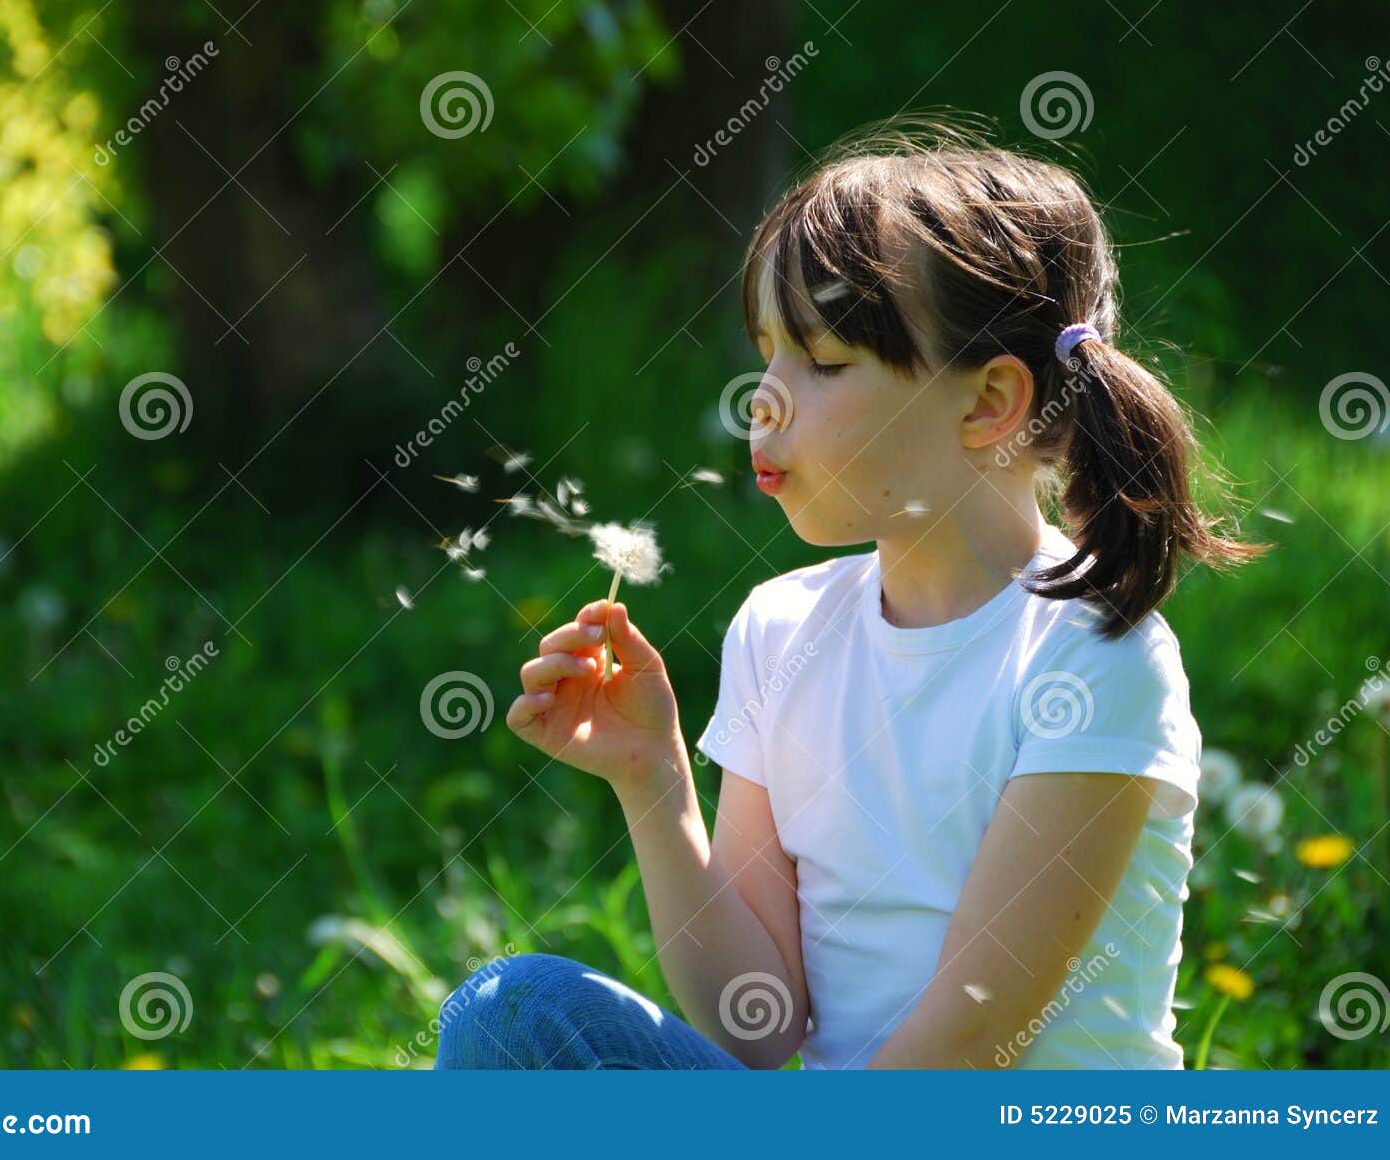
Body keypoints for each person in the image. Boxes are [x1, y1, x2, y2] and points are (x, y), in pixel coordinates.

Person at [435, 115, 1267, 1070]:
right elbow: (759, 1024)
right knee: (513, 1015)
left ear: (988, 402)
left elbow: (971, 1037)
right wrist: (654, 778)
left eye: (824, 362)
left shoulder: (1092, 655)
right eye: (767, 354)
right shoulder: (780, 629)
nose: (764, 399)